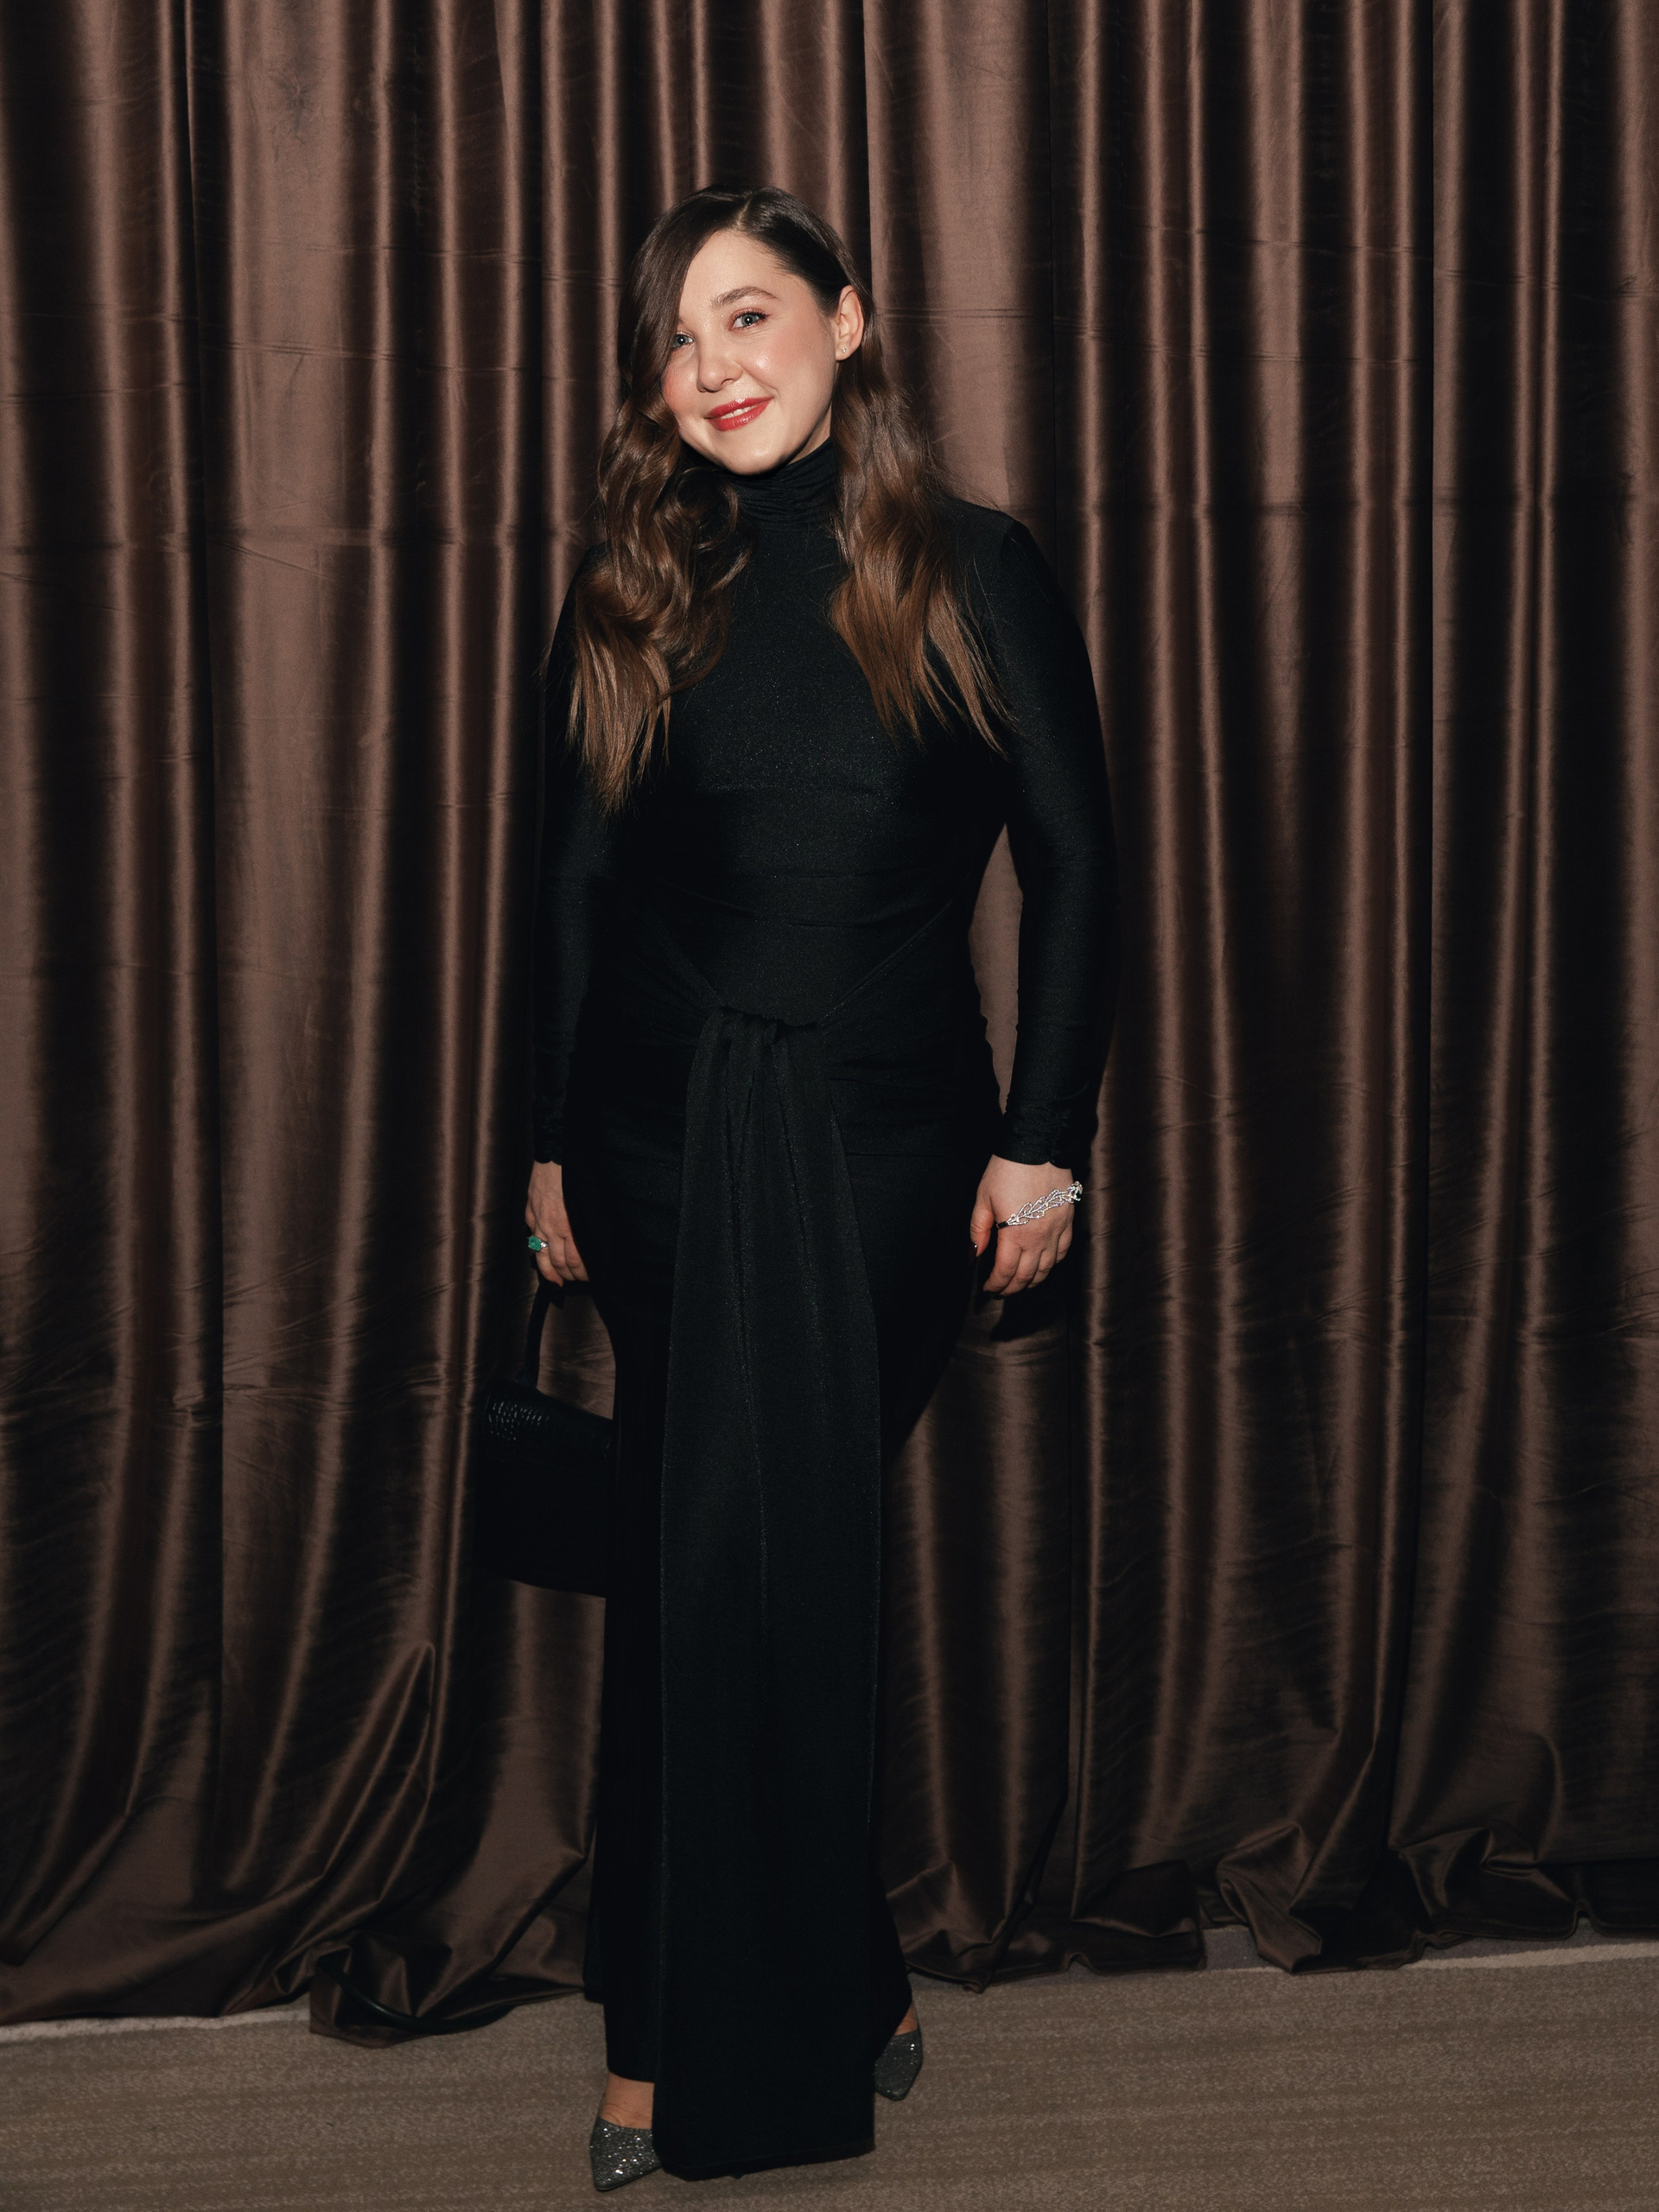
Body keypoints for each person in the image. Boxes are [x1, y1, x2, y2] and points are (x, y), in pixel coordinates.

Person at [524, 184, 1116, 2192]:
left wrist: (1047, 1135)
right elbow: (574, 885)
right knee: (698, 1578)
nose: (716, 367)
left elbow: (1079, 859)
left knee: (762, 1571)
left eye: (751, 315)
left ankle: (762, 2001)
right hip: (656, 1145)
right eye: (680, 341)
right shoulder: (629, 585)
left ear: (848, 322)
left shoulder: (973, 565)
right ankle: (680, 2025)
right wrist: (549, 1143)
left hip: (884, 1161)